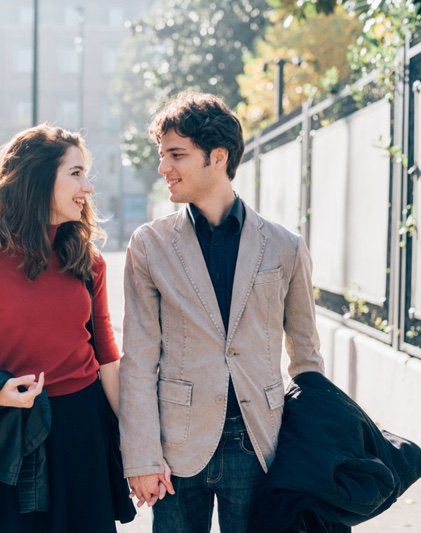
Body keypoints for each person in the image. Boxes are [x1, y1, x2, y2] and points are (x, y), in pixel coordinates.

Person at [119, 90, 326, 532]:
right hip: (177, 448)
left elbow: (307, 361)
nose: (163, 167)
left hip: (259, 445)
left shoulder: (285, 247)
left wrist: (309, 451)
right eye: (162, 154)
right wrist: (141, 456)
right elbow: (138, 358)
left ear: (218, 156)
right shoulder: (149, 246)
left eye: (176, 154)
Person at [0, 124, 134, 532]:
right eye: (77, 173)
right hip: (19, 434)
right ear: (39, 177)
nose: (88, 187)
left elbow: (107, 359)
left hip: (85, 428)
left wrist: (136, 443)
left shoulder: (89, 262)